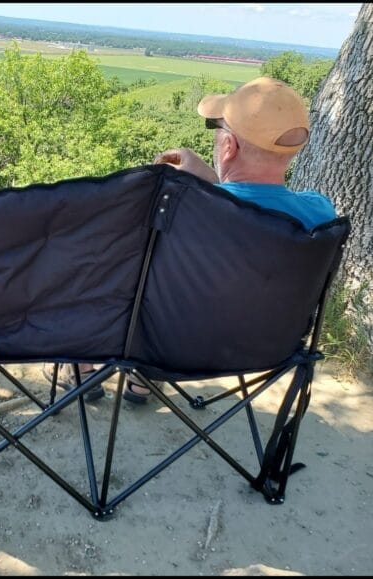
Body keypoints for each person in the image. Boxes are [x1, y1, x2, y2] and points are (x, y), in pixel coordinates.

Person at [120, 76, 337, 404]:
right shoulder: (319, 214)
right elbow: (250, 210)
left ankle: (85, 371)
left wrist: (203, 184)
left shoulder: (177, 210)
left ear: (228, 147)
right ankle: (142, 380)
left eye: (217, 129)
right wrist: (208, 179)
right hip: (267, 349)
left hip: (166, 342)